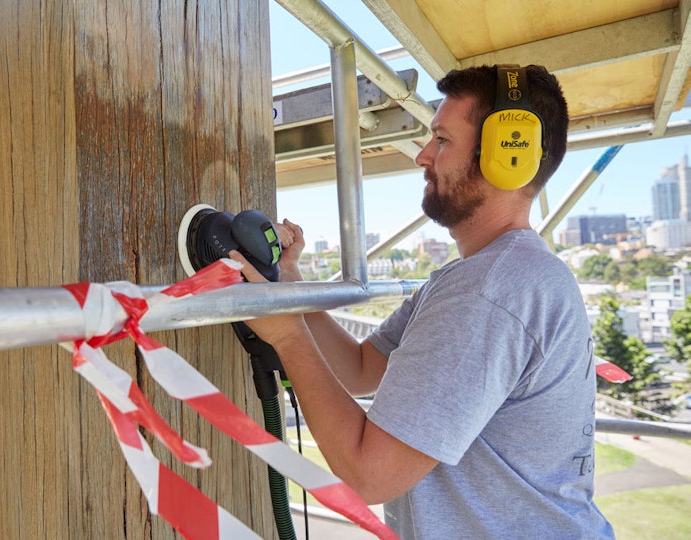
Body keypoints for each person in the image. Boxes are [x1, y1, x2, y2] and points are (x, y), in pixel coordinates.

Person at [230, 65, 614, 539]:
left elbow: (368, 474)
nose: (422, 156)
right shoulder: (484, 278)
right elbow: (360, 367)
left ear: (506, 156)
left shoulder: (489, 291)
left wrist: (288, 335)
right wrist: (293, 283)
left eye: (442, 139)